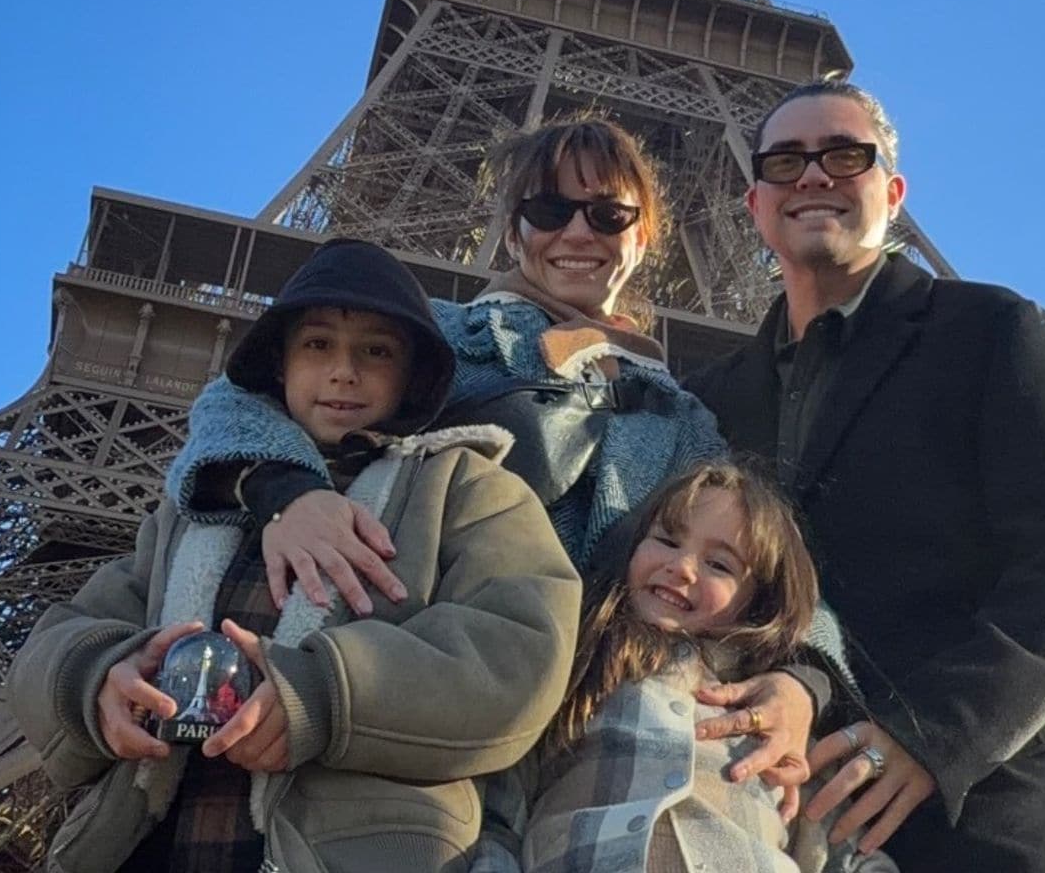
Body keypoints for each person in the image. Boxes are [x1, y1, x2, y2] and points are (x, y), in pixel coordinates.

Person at [166, 117, 841, 787]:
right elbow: (239, 397)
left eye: (608, 215)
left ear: (642, 238)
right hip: (422, 684)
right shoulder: (438, 336)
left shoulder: (681, 417)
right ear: (513, 231)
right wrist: (290, 493)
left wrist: (803, 679)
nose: (578, 233)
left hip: (577, 726)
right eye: (549, 210)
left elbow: (763, 549)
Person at [8, 238, 582, 872]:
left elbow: (518, 652)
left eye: (377, 351)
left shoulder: (467, 488)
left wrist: (323, 693)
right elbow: (67, 631)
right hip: (151, 846)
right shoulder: (195, 505)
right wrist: (98, 680)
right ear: (279, 366)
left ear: (413, 377)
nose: (343, 370)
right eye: (317, 344)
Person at [685, 80, 1045, 869]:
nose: (813, 175)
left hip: (979, 818)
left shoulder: (992, 332)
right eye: (786, 161)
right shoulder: (711, 400)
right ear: (755, 205)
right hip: (764, 817)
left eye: (843, 155)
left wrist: (933, 734)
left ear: (892, 193)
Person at [478, 461, 898, 873]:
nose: (681, 567)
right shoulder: (575, 671)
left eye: (719, 565)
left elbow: (843, 847)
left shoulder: (772, 714)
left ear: (758, 603)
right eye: (666, 540)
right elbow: (497, 816)